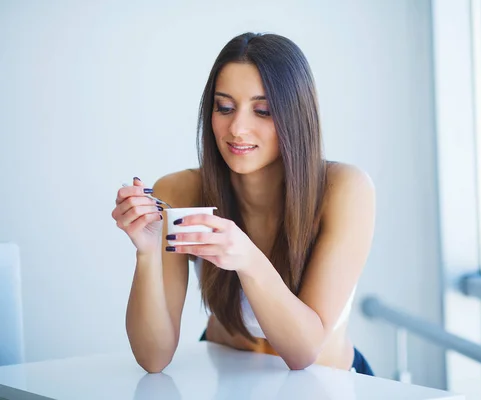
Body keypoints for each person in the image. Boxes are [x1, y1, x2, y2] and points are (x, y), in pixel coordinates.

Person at [111, 32, 376, 376]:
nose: (238, 128)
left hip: (327, 386)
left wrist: (247, 258)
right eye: (224, 107)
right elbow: (153, 357)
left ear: (295, 115)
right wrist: (146, 252)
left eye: (262, 110)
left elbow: (303, 352)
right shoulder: (181, 189)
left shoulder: (345, 189)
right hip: (228, 383)